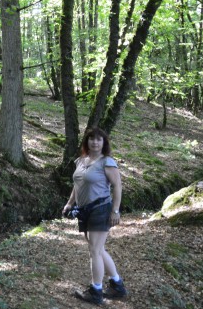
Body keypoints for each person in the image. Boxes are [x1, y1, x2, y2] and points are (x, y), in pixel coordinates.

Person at [63, 127, 128, 304]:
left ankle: (96, 291)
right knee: (98, 249)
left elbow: (117, 186)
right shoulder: (81, 161)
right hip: (85, 211)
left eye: (99, 139)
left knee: (95, 251)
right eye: (92, 139)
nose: (95, 142)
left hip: (101, 208)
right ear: (87, 142)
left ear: (104, 143)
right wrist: (70, 203)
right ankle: (117, 285)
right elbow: (77, 185)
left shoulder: (107, 162)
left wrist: (115, 210)